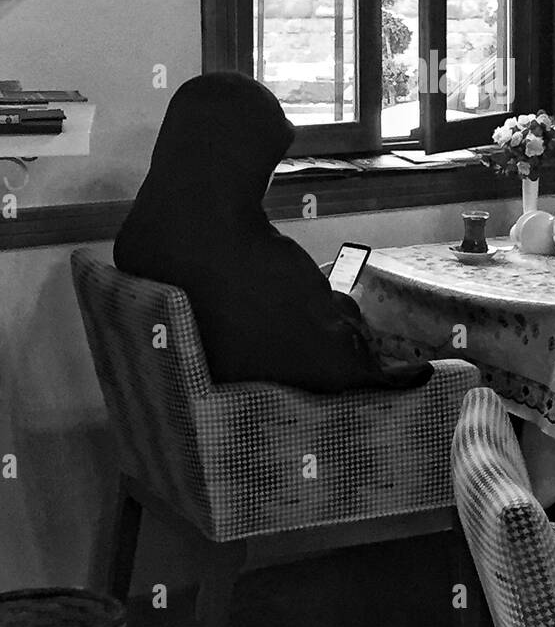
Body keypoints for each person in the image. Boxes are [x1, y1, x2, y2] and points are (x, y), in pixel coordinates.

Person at [114, 72, 432, 393]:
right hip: (278, 425)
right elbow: (335, 366)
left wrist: (315, 298)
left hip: (187, 418)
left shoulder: (138, 237)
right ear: (244, 166)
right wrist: (345, 311)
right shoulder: (258, 260)